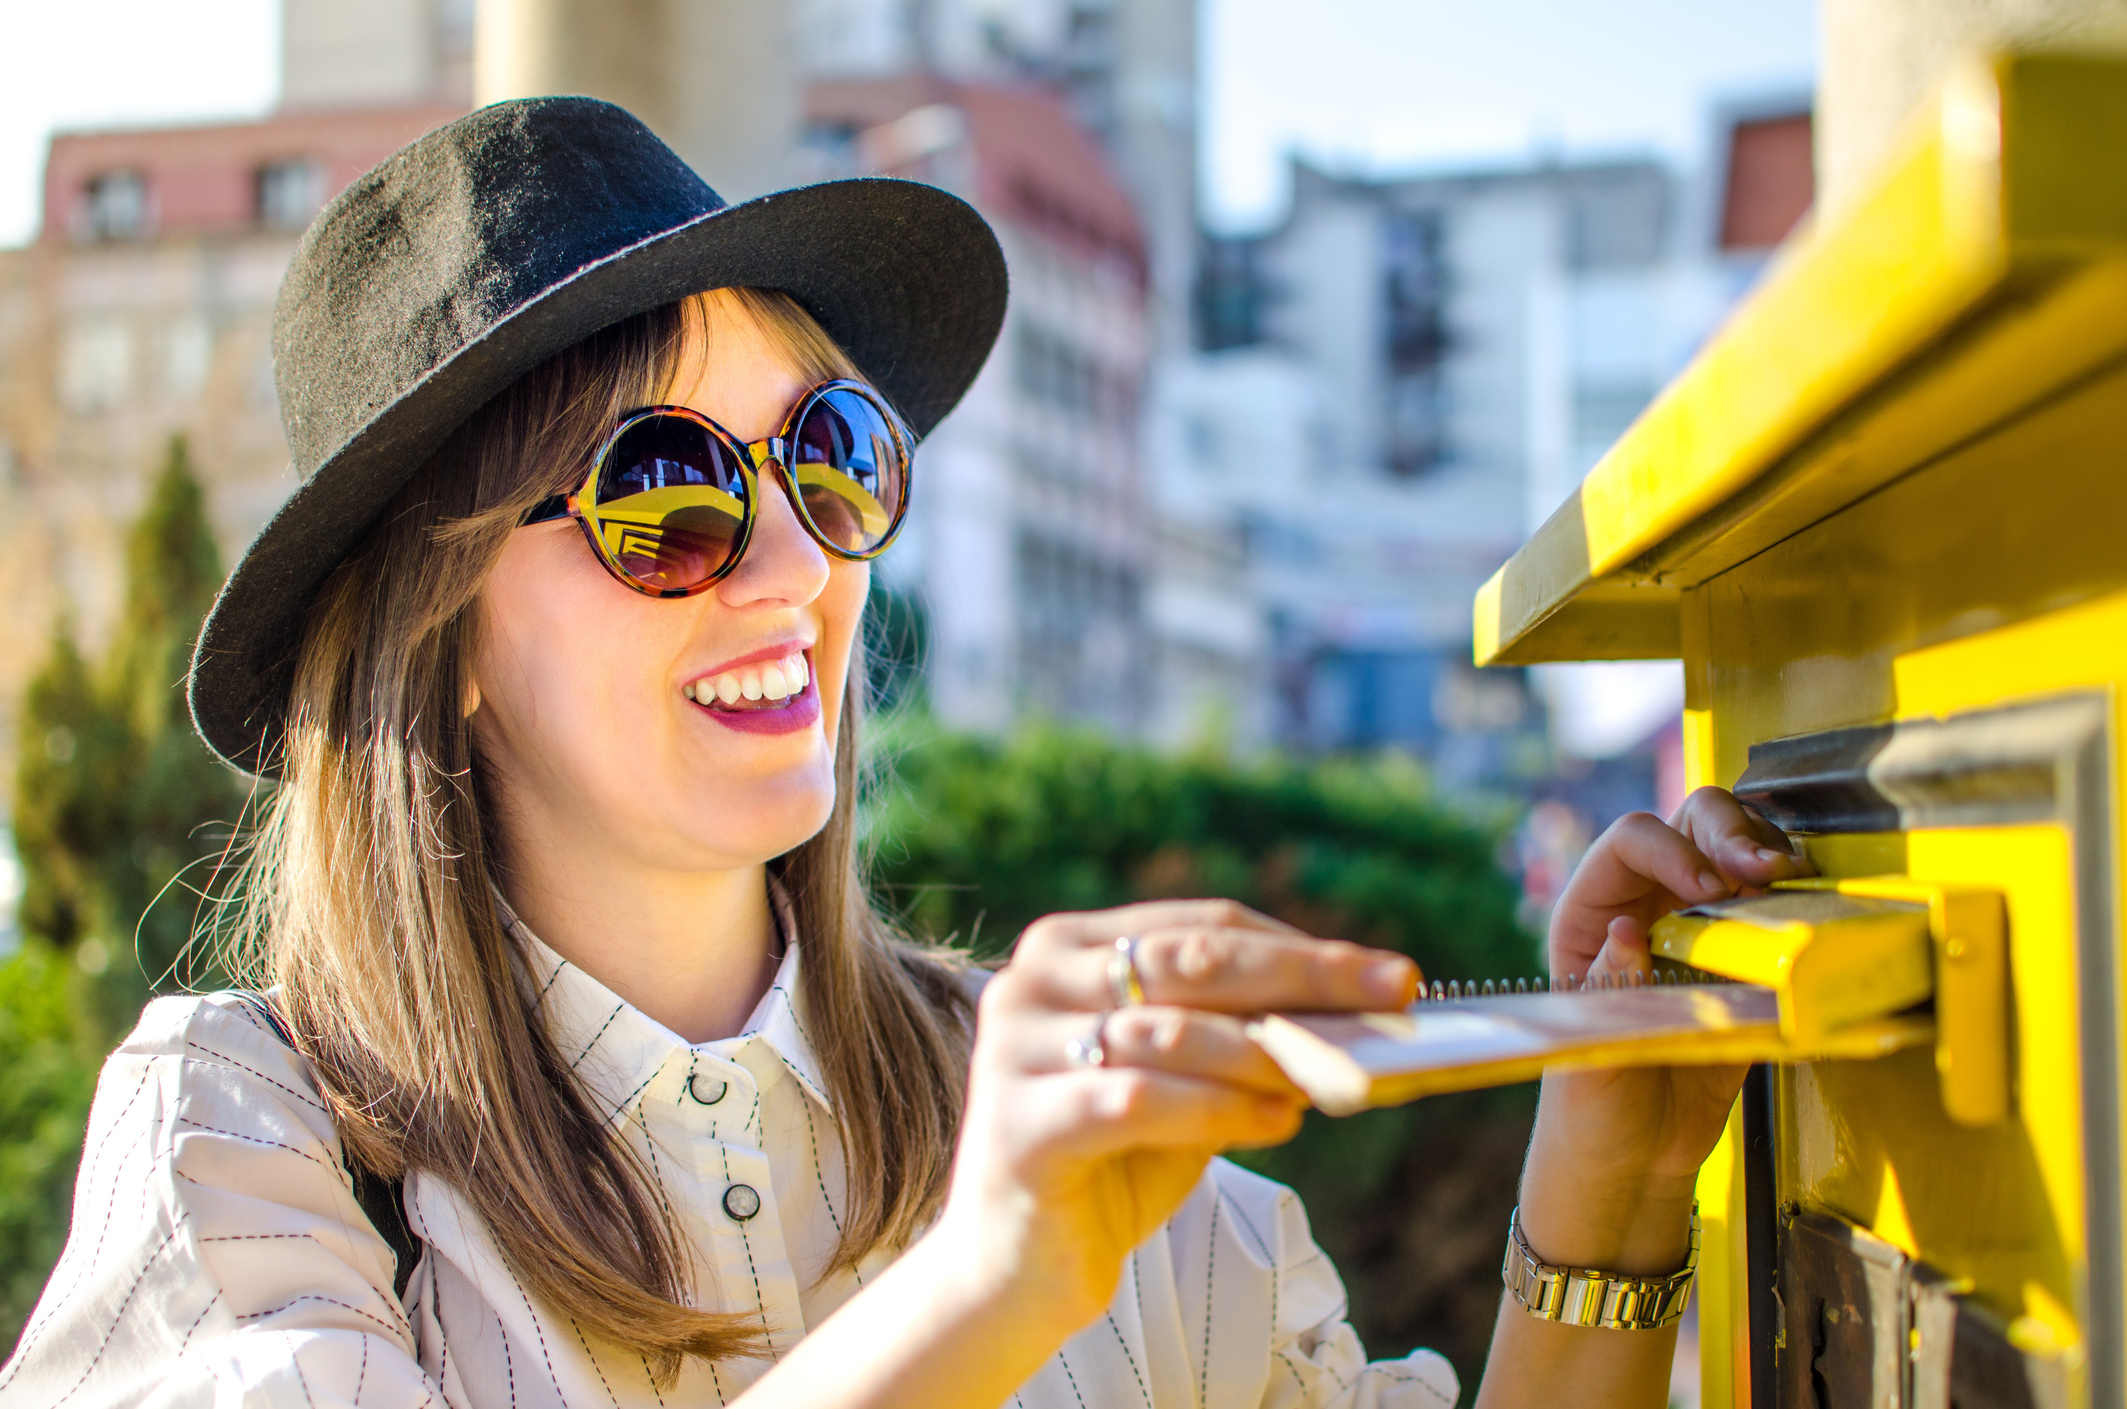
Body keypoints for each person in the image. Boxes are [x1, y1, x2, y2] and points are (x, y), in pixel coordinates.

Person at [0, 99, 1809, 1409]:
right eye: (664, 488)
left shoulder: (1095, 1161)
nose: (798, 563)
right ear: (433, 628)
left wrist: (1615, 1185)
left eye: (829, 453)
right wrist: (987, 1287)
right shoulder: (251, 1155)